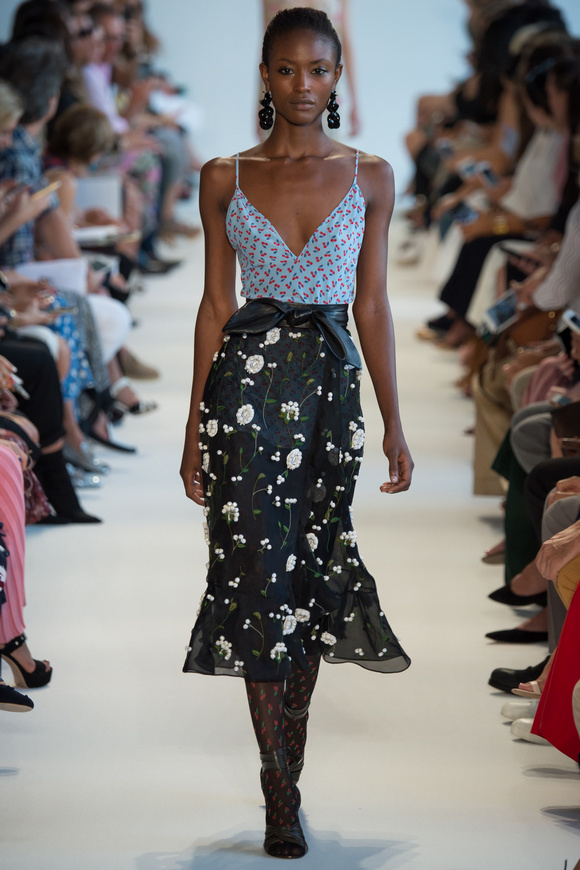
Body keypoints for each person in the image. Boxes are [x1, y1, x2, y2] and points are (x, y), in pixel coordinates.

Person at [179, 7, 412, 860]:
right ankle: (278, 786)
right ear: (265, 76)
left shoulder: (372, 176)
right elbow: (215, 304)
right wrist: (191, 428)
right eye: (286, 69)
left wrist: (394, 421)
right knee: (256, 580)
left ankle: (291, 762)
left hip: (327, 399)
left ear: (337, 76)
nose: (302, 85)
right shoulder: (223, 176)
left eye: (318, 69)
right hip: (243, 397)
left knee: (309, 572)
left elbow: (373, 304)